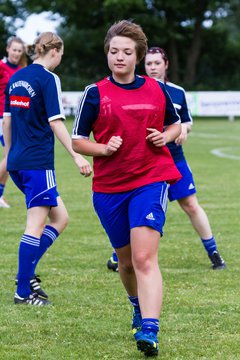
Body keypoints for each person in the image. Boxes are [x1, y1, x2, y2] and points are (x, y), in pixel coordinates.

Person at [72, 20, 182, 357]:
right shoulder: (95, 93)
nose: (120, 57)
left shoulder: (156, 89)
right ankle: (136, 306)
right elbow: (78, 141)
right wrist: (103, 149)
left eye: (127, 52)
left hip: (151, 179)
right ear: (108, 53)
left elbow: (175, 124)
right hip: (109, 188)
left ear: (138, 56)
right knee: (125, 262)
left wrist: (166, 136)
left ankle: (150, 329)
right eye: (114, 51)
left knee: (144, 257)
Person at [107, 47, 226, 272]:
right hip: (145, 163)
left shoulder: (177, 92)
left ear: (166, 65)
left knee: (191, 205)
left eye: (156, 63)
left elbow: (186, 121)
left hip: (174, 160)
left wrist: (183, 130)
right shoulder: (136, 89)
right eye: (149, 63)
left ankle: (214, 253)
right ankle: (118, 255)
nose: (152, 67)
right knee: (135, 208)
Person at [3, 32, 92, 306]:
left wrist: (9, 154)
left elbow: (6, 119)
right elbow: (55, 122)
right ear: (54, 51)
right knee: (35, 226)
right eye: (61, 53)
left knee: (61, 218)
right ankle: (22, 291)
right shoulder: (48, 78)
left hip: (18, 161)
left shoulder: (17, 77)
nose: (61, 59)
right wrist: (77, 156)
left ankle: (26, 274)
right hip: (37, 163)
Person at [0, 36, 26, 208]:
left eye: (19, 50)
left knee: (10, 156)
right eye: (14, 49)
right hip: (2, 117)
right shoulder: (1, 67)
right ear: (8, 49)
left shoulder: (21, 70)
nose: (16, 53)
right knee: (11, 156)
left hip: (14, 117)